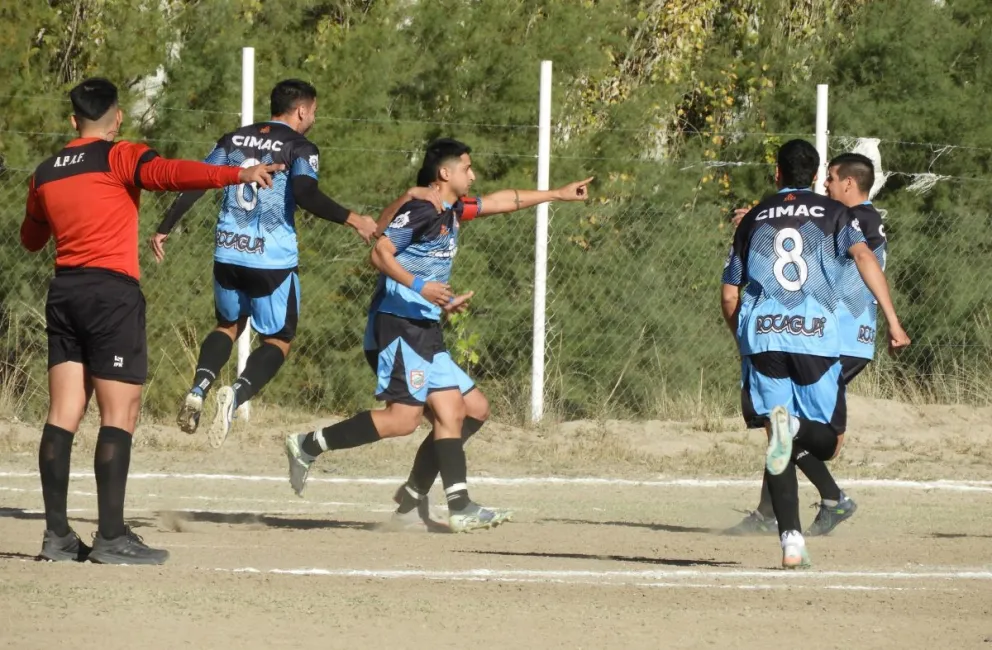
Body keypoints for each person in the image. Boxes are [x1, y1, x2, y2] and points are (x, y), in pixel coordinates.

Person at [21, 77, 281, 564]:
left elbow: (31, 240)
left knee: (62, 415)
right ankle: (112, 538)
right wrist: (236, 176)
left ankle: (56, 537)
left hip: (64, 293)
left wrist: (41, 202)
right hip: (110, 295)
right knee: (120, 414)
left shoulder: (45, 172)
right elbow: (171, 173)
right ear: (117, 117)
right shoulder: (119, 155)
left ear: (73, 120)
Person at [283, 138, 592, 532]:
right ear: (445, 173)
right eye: (467, 167)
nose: (473, 175)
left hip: (424, 326)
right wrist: (421, 286)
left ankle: (429, 501)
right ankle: (308, 445)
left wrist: (557, 194)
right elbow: (380, 252)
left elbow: (501, 201)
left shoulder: (452, 209)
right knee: (403, 421)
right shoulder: (421, 210)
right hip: (397, 326)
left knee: (472, 409)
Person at [151, 79, 378, 448]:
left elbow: (200, 179)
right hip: (270, 261)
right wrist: (354, 219)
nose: (315, 117)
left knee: (228, 325)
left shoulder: (234, 139)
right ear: (302, 110)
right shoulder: (300, 147)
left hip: (228, 251)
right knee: (279, 339)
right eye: (314, 110)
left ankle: (198, 388)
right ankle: (236, 396)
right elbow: (305, 193)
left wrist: (164, 227)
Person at [720, 139, 909, 568]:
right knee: (820, 440)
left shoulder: (753, 218)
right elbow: (861, 256)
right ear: (816, 173)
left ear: (777, 173)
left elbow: (730, 294)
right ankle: (804, 508)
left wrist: (744, 342)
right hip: (816, 336)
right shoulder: (836, 214)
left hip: (764, 335)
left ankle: (791, 541)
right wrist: (894, 321)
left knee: (779, 434)